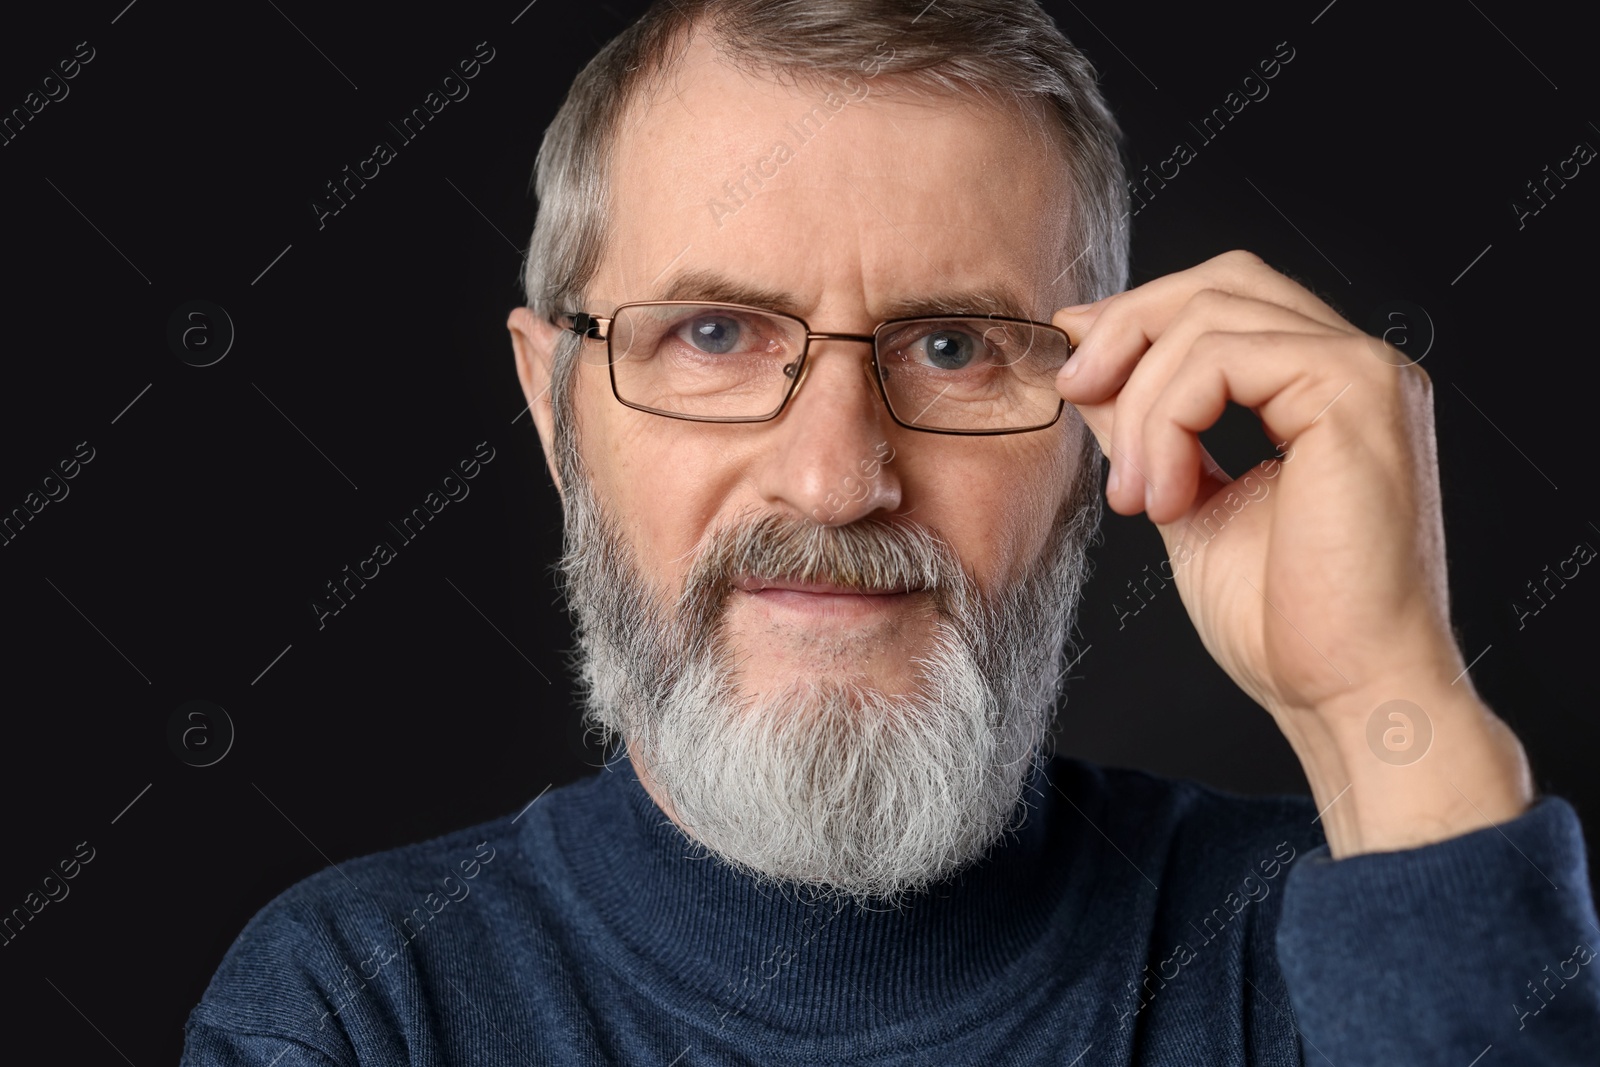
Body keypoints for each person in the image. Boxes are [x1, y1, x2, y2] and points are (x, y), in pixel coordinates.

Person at [181, 1, 1600, 1062]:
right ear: (557, 415)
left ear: (1097, 405)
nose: (837, 478)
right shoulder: (360, 1008)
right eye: (718, 334)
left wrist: (1384, 708)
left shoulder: (1335, 956)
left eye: (952, 347)